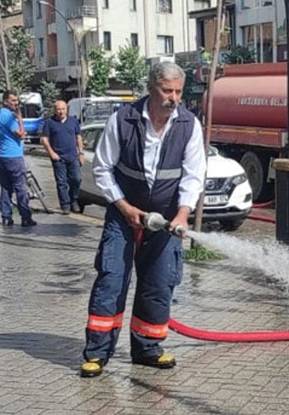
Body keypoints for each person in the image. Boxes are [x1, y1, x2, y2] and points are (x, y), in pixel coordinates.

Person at [80, 62, 206, 378]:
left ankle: (148, 348)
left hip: (165, 220)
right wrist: (124, 207)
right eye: (167, 90)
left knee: (159, 282)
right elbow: (102, 169)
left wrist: (182, 213)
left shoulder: (189, 125)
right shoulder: (122, 120)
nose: (174, 97)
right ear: (151, 88)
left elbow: (193, 175)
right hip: (124, 215)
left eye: (178, 91)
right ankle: (97, 353)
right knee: (111, 278)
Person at [0, 91, 36, 227]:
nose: (16, 103)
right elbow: (21, 135)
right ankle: (26, 217)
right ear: (5, 101)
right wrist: (20, 119)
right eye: (13, 100)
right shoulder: (9, 117)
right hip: (13, 157)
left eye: (17, 100)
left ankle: (6, 216)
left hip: (1, 158)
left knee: (5, 187)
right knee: (20, 188)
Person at [41, 100, 84, 214]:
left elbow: (78, 137)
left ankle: (73, 199)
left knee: (76, 179)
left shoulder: (73, 121)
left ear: (67, 109)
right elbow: (44, 139)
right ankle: (65, 204)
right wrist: (51, 153)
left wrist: (81, 153)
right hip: (58, 157)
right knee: (61, 182)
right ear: (55, 110)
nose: (61, 112)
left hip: (73, 156)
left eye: (63, 109)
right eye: (59, 109)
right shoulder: (49, 122)